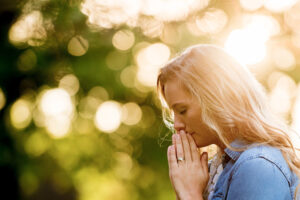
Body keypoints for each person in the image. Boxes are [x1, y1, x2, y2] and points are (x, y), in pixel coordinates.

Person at [156, 44, 300, 200]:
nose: (177, 125)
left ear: (215, 98)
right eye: (174, 113)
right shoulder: (215, 170)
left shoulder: (256, 167)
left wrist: (190, 195)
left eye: (182, 110)